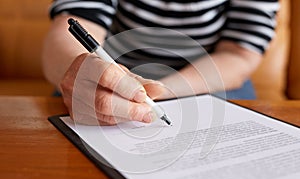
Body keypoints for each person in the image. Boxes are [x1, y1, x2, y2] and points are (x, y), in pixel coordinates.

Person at [42, 0, 279, 125]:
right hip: (109, 78)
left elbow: (239, 52)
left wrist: (160, 90)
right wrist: (79, 69)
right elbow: (70, 24)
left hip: (212, 79)